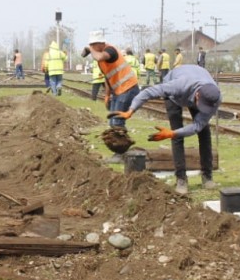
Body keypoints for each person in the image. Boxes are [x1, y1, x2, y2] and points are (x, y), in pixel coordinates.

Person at [110, 65, 222, 197]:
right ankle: (181, 179)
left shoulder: (215, 98)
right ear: (197, 95)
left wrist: (172, 133)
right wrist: (131, 110)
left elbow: (197, 126)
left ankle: (207, 177)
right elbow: (148, 92)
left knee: (204, 132)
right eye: (201, 104)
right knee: (177, 135)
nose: (203, 109)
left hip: (197, 81)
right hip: (175, 96)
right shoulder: (177, 86)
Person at [82, 29, 139, 132]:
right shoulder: (102, 55)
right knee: (112, 122)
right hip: (119, 91)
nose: (93, 47)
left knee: (117, 122)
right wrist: (107, 95)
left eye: (94, 44)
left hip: (128, 88)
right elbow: (108, 77)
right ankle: (120, 144)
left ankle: (121, 145)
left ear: (101, 43)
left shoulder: (110, 51)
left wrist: (89, 49)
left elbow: (98, 57)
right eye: (91, 45)